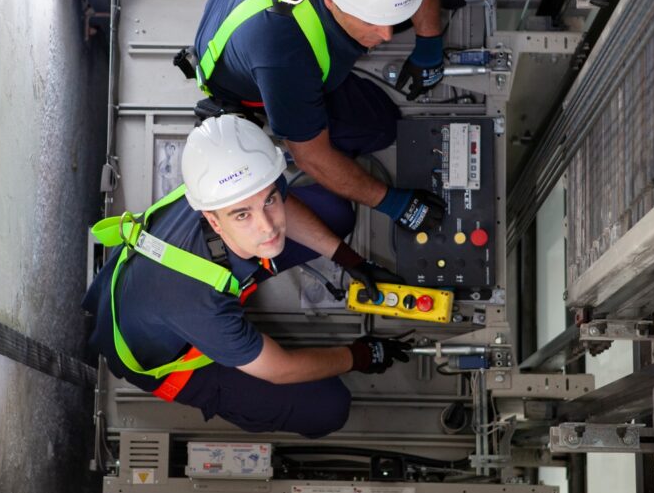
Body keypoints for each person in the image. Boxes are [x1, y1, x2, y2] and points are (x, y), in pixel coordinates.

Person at [82, 115, 411, 438]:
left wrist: (350, 259)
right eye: (243, 215)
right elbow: (280, 369)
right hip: (177, 356)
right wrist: (360, 355)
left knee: (335, 215)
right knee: (328, 407)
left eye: (268, 200)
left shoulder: (218, 184)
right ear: (213, 221)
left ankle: (247, 243)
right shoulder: (199, 307)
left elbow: (264, 204)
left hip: (179, 286)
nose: (267, 226)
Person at [184, 0, 456, 234]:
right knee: (379, 127)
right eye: (371, 20)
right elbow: (312, 158)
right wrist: (395, 203)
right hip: (250, 69)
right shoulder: (285, 59)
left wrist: (429, 43)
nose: (386, 35)